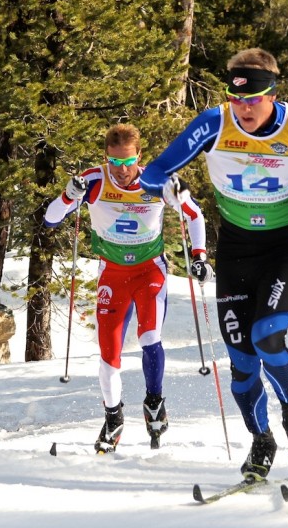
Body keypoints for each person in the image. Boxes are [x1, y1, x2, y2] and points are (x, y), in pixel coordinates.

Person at [140, 48, 288, 479]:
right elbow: (154, 173)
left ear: (272, 94)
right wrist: (167, 191)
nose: (243, 108)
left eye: (252, 99)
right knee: (241, 362)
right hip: (236, 251)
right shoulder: (214, 124)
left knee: (266, 336)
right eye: (235, 98)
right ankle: (261, 441)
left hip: (283, 248)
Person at [44, 123, 211, 453]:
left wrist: (199, 256)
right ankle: (113, 417)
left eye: (128, 162)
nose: (121, 171)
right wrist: (68, 196)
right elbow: (50, 219)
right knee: (108, 355)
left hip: (150, 270)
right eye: (114, 163)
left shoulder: (156, 182)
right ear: (106, 157)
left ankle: (154, 402)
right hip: (112, 274)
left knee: (150, 337)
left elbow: (194, 215)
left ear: (139, 156)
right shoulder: (93, 180)